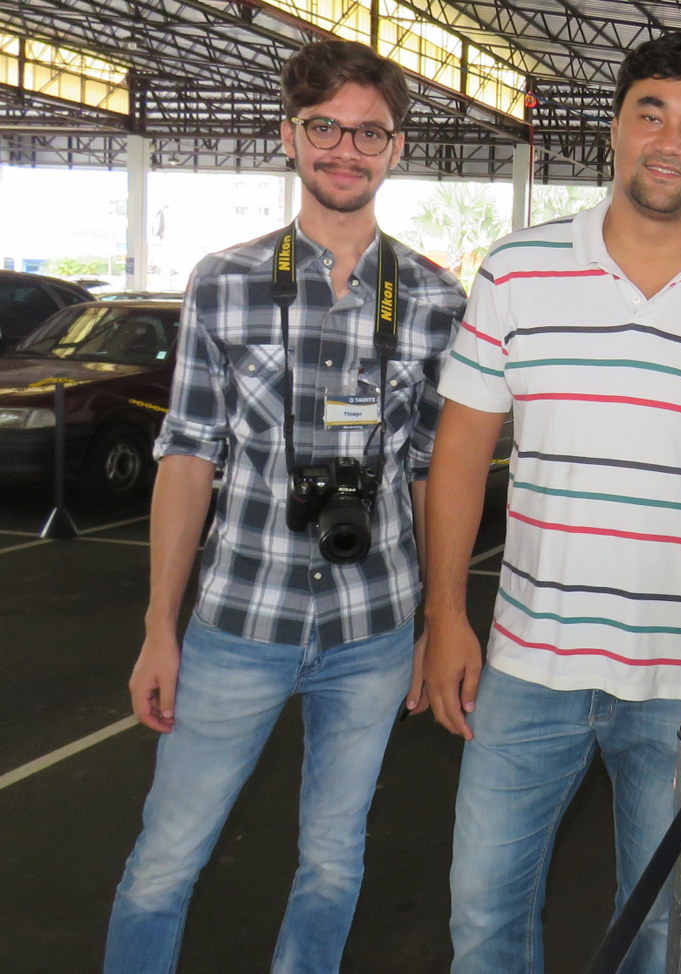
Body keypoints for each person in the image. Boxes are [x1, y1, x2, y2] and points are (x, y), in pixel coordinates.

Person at [424, 32, 681, 974]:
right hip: (527, 663)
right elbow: (460, 454)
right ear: (614, 127)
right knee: (482, 915)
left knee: (661, 935)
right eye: (651, 113)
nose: (669, 140)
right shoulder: (517, 271)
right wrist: (443, 617)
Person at [106, 39, 466, 974]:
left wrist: (439, 622)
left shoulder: (434, 299)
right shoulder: (223, 280)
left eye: (369, 132)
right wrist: (158, 628)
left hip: (374, 630)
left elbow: (432, 472)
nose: (346, 150)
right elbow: (188, 456)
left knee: (333, 860)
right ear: (289, 136)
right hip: (238, 622)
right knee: (164, 862)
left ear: (396, 147)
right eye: (325, 128)